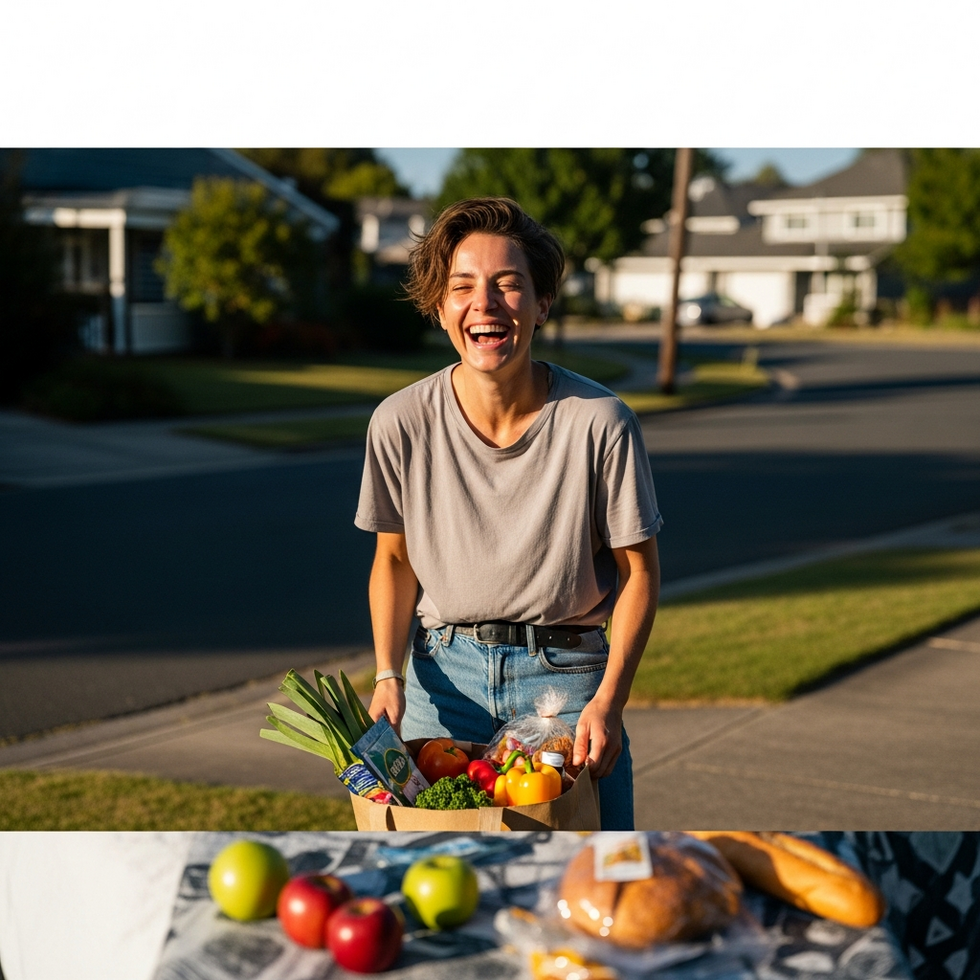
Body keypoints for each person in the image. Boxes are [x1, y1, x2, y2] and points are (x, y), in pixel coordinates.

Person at [354, 197, 662, 830]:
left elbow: (639, 574)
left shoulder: (600, 423)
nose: (485, 304)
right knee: (436, 881)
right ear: (439, 307)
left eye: (508, 285)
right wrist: (389, 674)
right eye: (462, 287)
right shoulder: (399, 423)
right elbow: (392, 560)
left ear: (541, 304)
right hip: (443, 687)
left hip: (568, 686)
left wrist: (610, 699)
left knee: (589, 876)